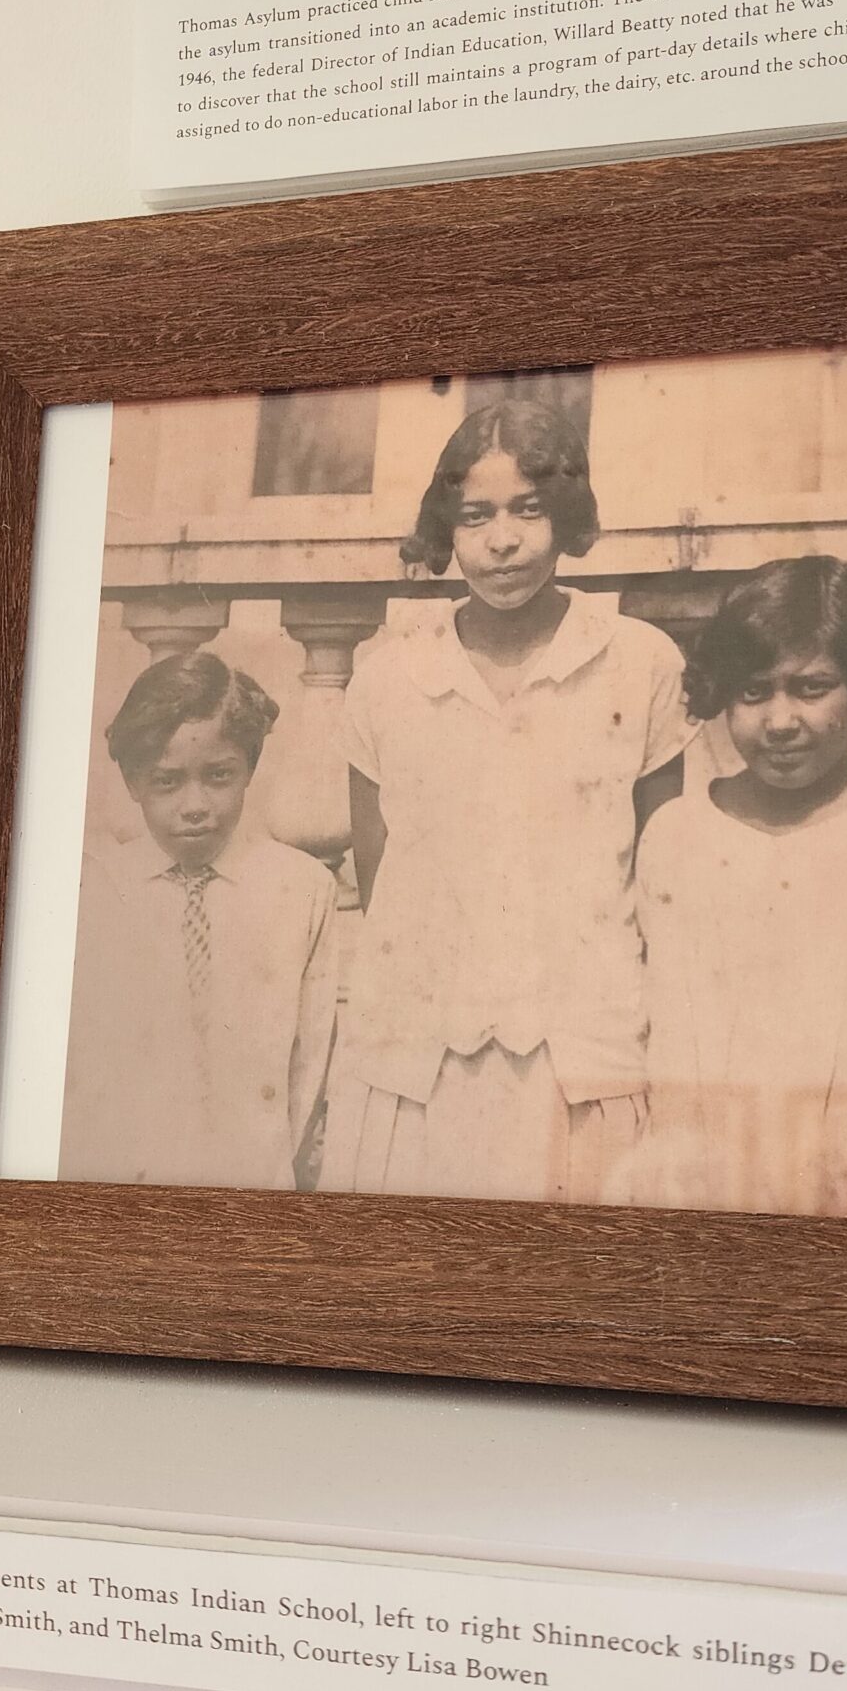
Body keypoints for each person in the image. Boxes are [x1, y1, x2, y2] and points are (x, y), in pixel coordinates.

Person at [323, 399, 694, 1204]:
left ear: (565, 516)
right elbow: (379, 874)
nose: (503, 540)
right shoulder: (390, 676)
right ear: (446, 529)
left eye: (529, 509)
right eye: (475, 515)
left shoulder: (639, 664)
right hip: (420, 1056)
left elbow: (664, 875)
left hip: (580, 1053)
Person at [625, 555, 847, 1223]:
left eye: (812, 688)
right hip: (703, 1190)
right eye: (754, 693)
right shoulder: (676, 836)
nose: (780, 720)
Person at [60, 650, 338, 1191]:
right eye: (167, 782)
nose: (195, 805)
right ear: (134, 782)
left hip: (254, 1179)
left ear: (249, 768)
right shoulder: (94, 890)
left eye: (217, 776)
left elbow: (309, 1062)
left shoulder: (300, 889)